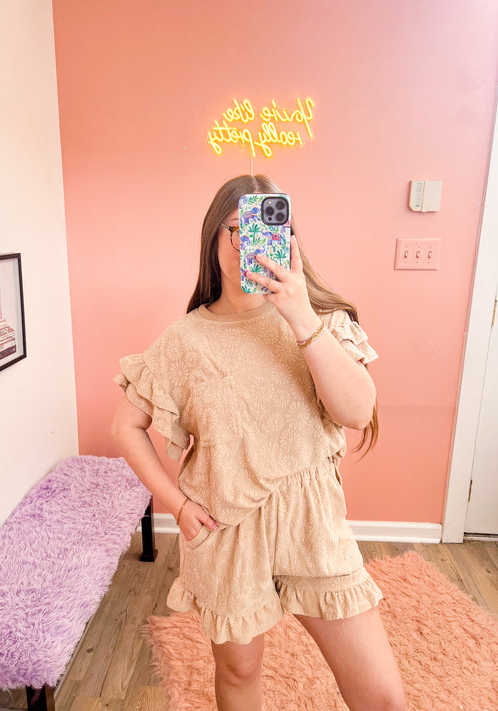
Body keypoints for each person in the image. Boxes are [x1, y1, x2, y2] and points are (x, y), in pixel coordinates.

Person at [111, 174, 405, 711]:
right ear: (213, 238)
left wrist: (299, 313)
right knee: (239, 670)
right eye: (236, 228)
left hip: (313, 521)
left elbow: (357, 412)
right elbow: (125, 426)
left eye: (264, 227)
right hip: (228, 531)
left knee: (381, 696)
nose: (247, 241)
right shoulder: (185, 340)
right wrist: (177, 505)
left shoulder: (319, 318)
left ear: (286, 236)